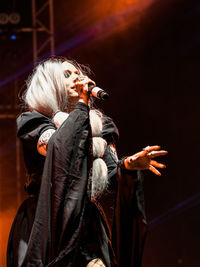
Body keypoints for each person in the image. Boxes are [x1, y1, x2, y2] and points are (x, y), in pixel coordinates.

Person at [7, 57, 167, 267]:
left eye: (78, 74)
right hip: (47, 222)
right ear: (50, 84)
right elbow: (60, 149)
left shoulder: (102, 128)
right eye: (67, 75)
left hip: (86, 224)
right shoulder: (35, 122)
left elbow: (108, 176)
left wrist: (127, 166)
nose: (77, 78)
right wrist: (82, 106)